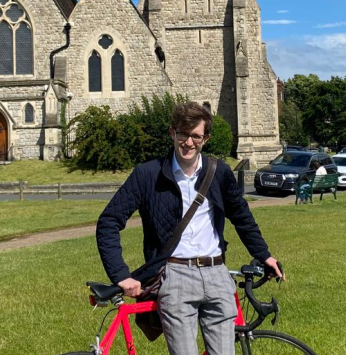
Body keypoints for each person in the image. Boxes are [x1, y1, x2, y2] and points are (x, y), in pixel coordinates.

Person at [96, 102, 283, 355]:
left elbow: (242, 217)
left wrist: (264, 255)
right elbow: (109, 222)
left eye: (195, 136)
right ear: (172, 133)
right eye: (183, 135)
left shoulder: (219, 172)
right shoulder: (148, 174)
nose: (188, 143)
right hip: (175, 276)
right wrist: (120, 274)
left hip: (217, 274)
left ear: (205, 138)